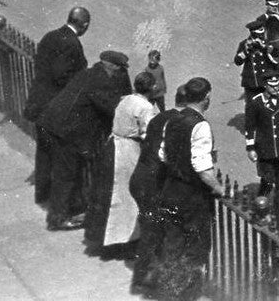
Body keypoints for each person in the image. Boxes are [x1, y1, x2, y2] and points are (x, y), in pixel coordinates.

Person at [38, 51, 131, 230]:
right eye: (119, 70)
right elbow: (112, 108)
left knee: (67, 171)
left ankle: (70, 208)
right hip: (66, 132)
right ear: (110, 66)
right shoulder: (101, 81)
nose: (121, 73)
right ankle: (58, 219)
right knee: (66, 174)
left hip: (54, 125)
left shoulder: (89, 73)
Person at [155, 77, 223, 301]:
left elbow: (162, 154)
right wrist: (219, 188)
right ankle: (186, 295)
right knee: (194, 248)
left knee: (172, 244)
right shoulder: (200, 125)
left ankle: (168, 293)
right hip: (191, 196)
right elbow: (202, 167)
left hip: (170, 189)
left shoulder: (173, 119)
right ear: (206, 98)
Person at [26, 8, 90, 205]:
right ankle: (60, 201)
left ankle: (43, 193)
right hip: (55, 108)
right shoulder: (72, 44)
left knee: (44, 150)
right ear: (84, 25)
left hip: (39, 102)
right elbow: (61, 75)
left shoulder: (50, 36)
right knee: (62, 155)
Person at [87, 71, 157, 252]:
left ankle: (105, 238)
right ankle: (124, 241)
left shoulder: (125, 100)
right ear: (152, 88)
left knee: (108, 192)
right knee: (125, 196)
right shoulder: (146, 107)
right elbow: (147, 133)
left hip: (112, 146)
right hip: (127, 152)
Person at [129, 87, 183, 292]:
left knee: (153, 229)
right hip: (152, 184)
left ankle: (150, 274)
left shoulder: (161, 117)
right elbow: (166, 156)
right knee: (153, 231)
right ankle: (143, 279)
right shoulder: (176, 122)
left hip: (142, 179)